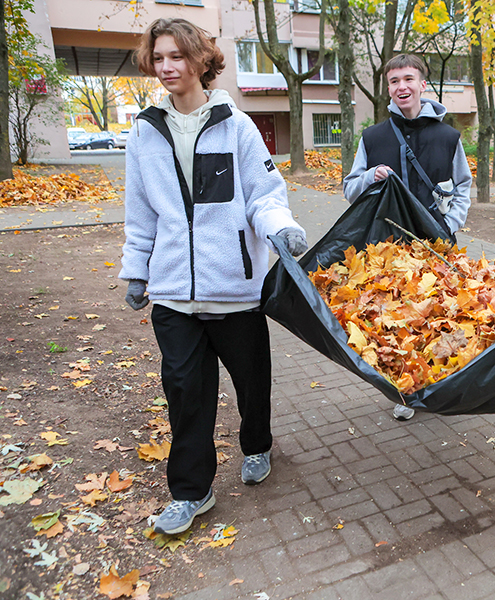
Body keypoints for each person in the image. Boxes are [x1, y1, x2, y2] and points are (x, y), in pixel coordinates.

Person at [119, 18, 308, 535]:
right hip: (175, 294)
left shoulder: (236, 125)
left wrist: (283, 232)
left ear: (201, 60)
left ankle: (257, 444)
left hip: (234, 291)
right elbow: (141, 214)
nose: (166, 68)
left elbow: (264, 197)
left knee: (252, 386)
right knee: (185, 392)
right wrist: (137, 271)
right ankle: (191, 491)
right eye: (158, 58)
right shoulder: (144, 132)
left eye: (176, 56)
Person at [343, 53, 472, 421]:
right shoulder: (374, 137)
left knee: (437, 318)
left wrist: (452, 224)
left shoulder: (448, 137)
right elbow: (350, 188)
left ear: (422, 85)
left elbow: (463, 185)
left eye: (408, 79)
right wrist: (370, 177)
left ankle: (438, 384)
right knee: (397, 321)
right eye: (395, 81)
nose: (402, 86)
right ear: (388, 88)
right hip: (389, 247)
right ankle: (405, 389)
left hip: (434, 243)